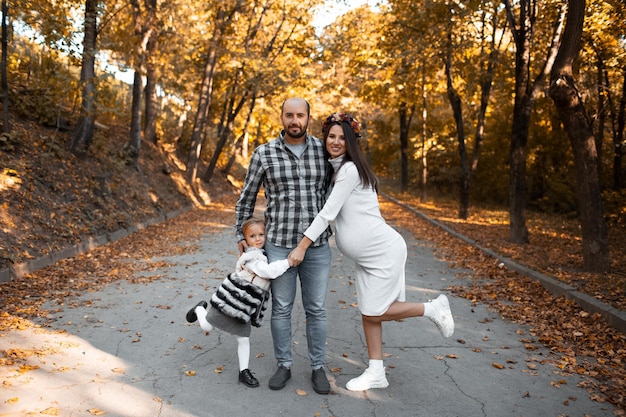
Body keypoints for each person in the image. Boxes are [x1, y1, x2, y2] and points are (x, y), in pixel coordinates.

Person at [289, 112, 455, 391]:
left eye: (344, 138)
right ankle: (376, 372)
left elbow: (328, 214)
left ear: (353, 142)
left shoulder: (350, 170)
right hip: (368, 255)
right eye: (332, 136)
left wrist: (301, 247)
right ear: (325, 137)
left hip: (382, 251)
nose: (336, 141)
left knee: (376, 310)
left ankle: (433, 308)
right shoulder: (340, 170)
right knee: (369, 314)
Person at [234, 97, 333, 394]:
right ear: (281, 117)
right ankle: (284, 365)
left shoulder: (323, 150)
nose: (295, 121)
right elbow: (247, 197)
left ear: (308, 118)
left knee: (316, 309)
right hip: (277, 245)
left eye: (300, 115)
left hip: (316, 247)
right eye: (289, 115)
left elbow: (336, 194)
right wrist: (241, 236)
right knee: (282, 308)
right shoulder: (264, 154)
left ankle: (318, 368)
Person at [185, 217, 295, 388]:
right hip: (230, 300)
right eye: (252, 236)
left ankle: (244, 372)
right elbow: (267, 272)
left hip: (244, 308)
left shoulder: (263, 254)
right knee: (207, 326)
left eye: (261, 234)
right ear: (245, 239)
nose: (257, 239)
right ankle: (200, 309)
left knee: (243, 338)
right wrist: (288, 262)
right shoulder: (252, 257)